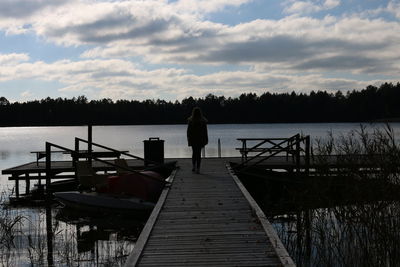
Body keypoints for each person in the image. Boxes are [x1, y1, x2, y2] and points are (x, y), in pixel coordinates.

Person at [187, 107, 208, 173]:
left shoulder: (191, 120)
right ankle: (198, 168)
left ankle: (194, 166)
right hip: (200, 139)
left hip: (193, 139)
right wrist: (206, 139)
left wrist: (189, 139)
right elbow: (205, 132)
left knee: (194, 153)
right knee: (198, 154)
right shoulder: (203, 121)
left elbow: (188, 131)